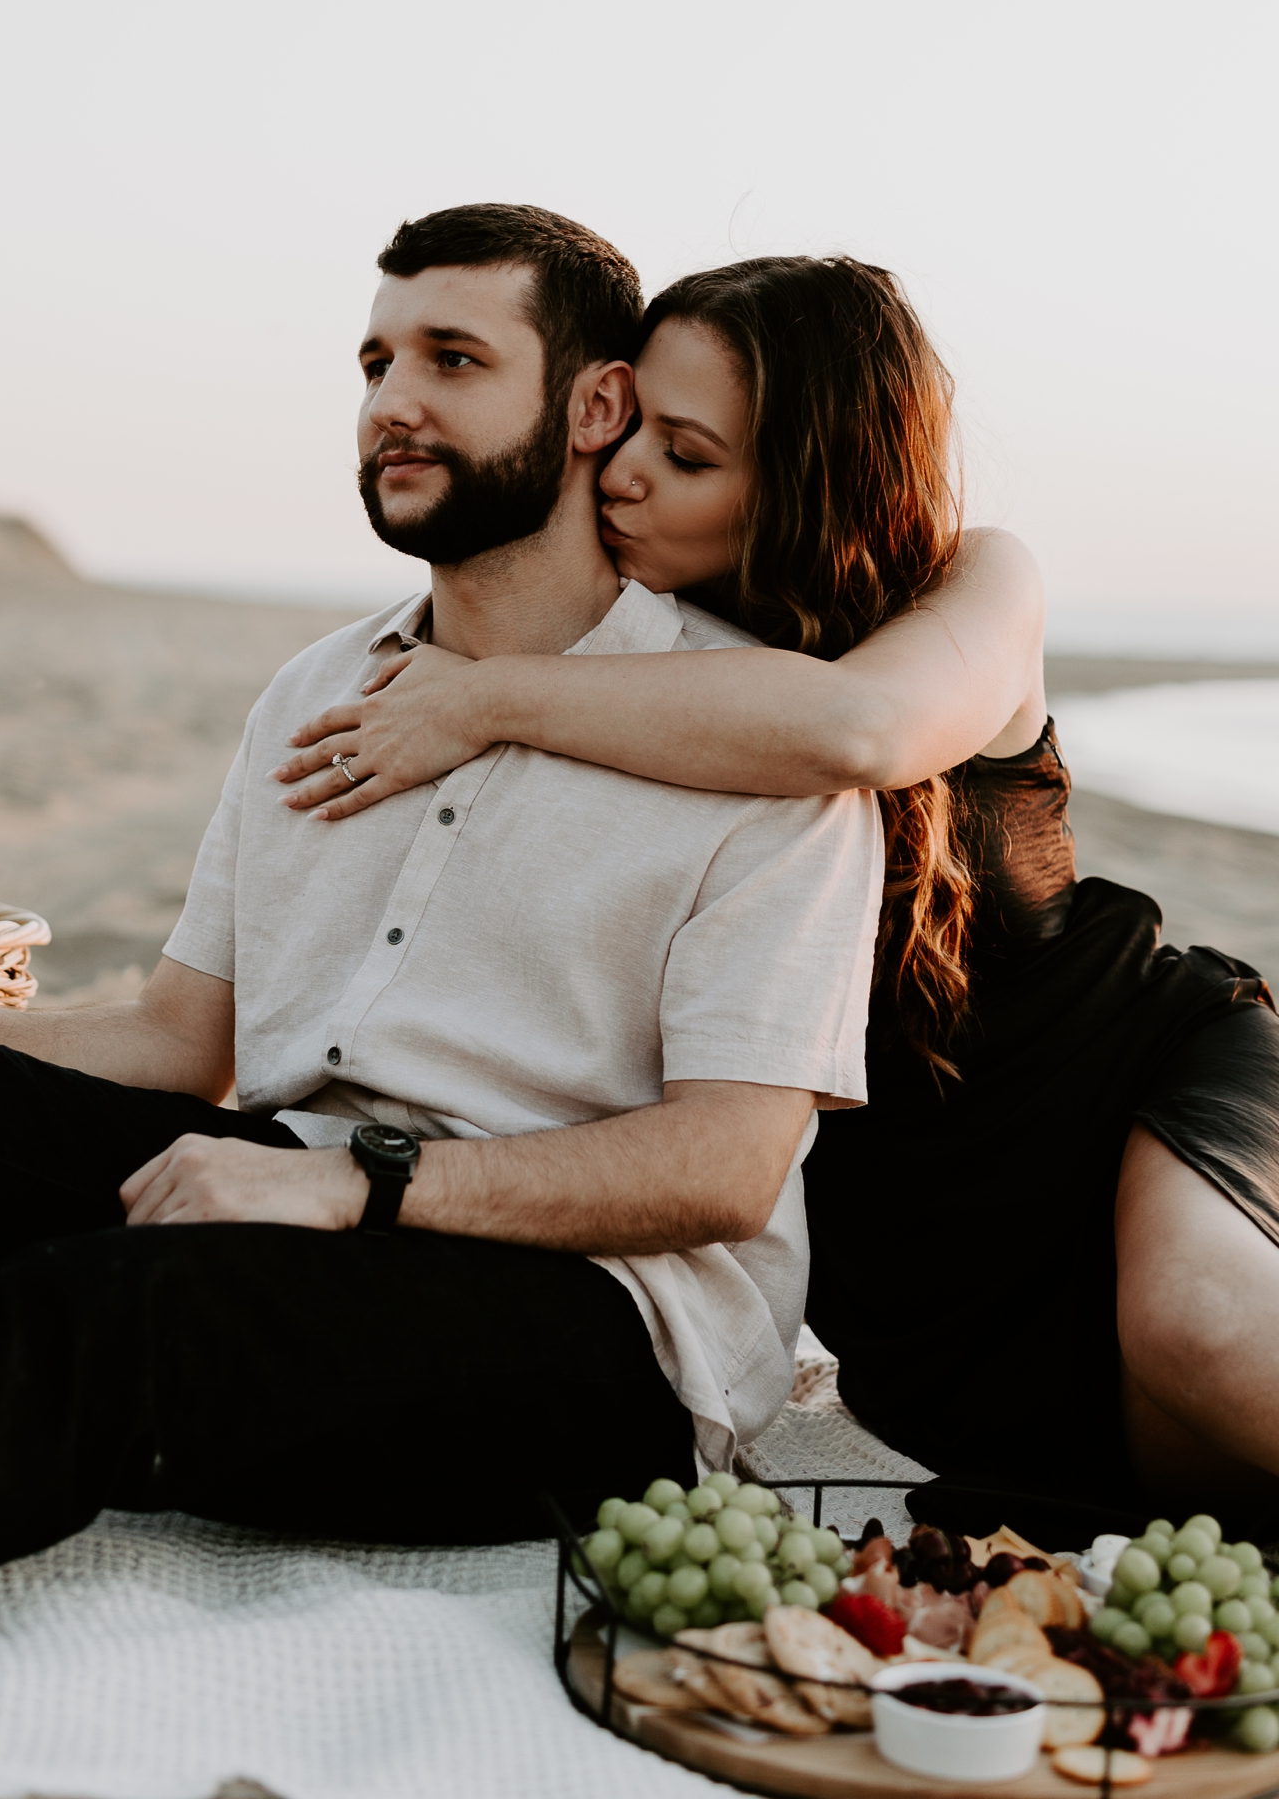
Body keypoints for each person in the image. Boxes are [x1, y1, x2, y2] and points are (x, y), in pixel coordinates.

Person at [0, 205, 888, 1663]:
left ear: (596, 405)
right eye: (376, 360)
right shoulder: (317, 687)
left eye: (453, 358)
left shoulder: (755, 748)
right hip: (291, 1207)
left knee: (119, 1311)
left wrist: (362, 1190)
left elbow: (722, 1168)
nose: (394, 402)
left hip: (598, 1340)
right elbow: (183, 1040)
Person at [277, 251, 1279, 1540]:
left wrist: (480, 700)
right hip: (913, 1264)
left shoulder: (975, 583)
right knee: (1180, 1499)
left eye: (689, 456)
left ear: (813, 480)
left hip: (1118, 1092)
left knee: (1204, 1334)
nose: (625, 473)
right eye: (629, 427)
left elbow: (859, 729)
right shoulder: (640, 661)